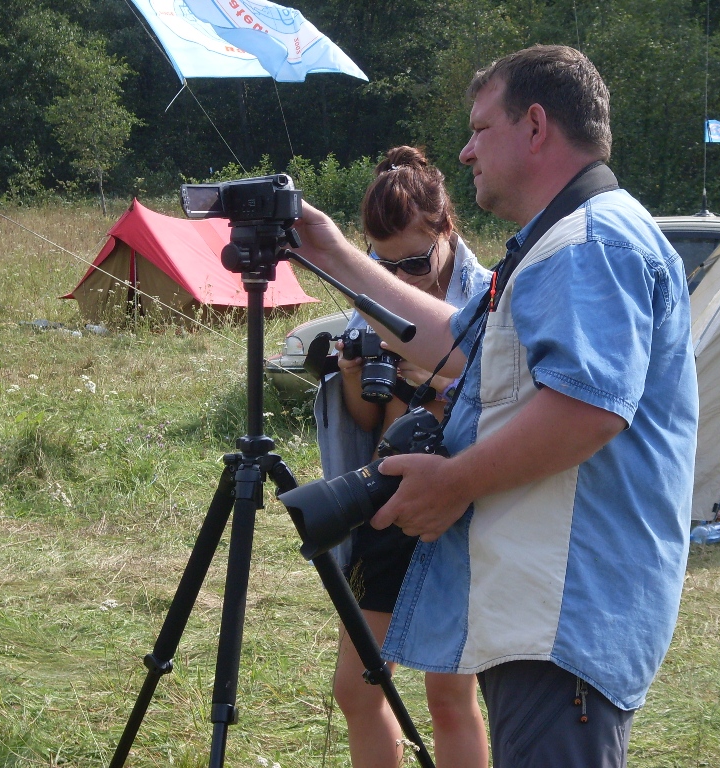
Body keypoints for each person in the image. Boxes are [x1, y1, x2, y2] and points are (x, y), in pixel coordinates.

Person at [296, 45, 698, 768]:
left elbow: (587, 410)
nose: (465, 150)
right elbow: (456, 345)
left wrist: (453, 483)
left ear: (535, 126)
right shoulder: (562, 238)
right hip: (541, 606)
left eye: (481, 128)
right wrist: (328, 252)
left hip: (562, 616)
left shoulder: (589, 242)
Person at [313, 146, 491, 768]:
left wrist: (433, 383)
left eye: (415, 261)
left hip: (460, 504)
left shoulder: (487, 299)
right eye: (383, 263)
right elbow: (369, 423)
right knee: (358, 686)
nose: (403, 278)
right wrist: (354, 376)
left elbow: (503, 410)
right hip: (387, 501)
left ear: (448, 231)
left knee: (449, 695)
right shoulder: (372, 298)